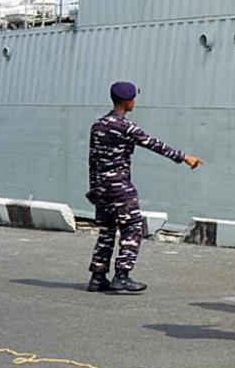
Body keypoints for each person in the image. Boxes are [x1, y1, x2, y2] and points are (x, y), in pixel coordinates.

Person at [86, 82, 201, 293]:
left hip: (102, 186)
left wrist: (93, 188)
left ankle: (98, 277)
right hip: (119, 185)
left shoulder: (98, 126)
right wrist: (184, 157)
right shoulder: (124, 126)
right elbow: (153, 144)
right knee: (132, 228)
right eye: (133, 99)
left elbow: (92, 160)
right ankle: (122, 275)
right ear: (127, 101)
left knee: (107, 231)